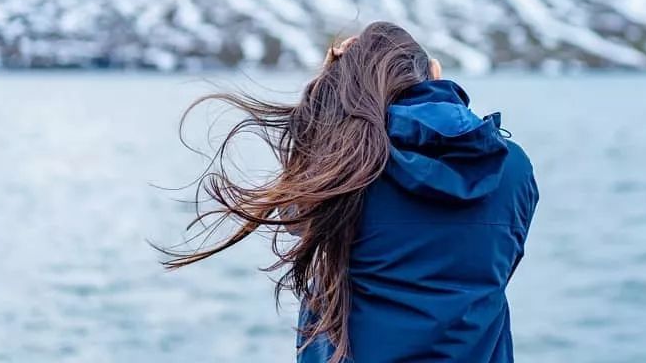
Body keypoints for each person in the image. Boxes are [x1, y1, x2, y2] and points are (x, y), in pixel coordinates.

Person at [161, 21, 539, 362]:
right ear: (434, 75)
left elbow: (294, 217)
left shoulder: (344, 166)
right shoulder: (513, 167)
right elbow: (496, 263)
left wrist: (324, 99)